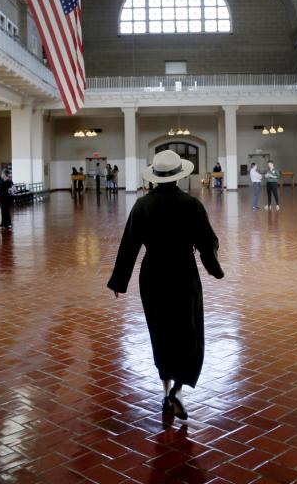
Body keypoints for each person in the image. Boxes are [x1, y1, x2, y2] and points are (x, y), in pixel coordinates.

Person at [107, 150, 224, 421]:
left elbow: (129, 245)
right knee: (188, 331)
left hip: (153, 275)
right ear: (179, 175)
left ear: (155, 177)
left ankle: (165, 391)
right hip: (184, 273)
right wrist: (214, 269)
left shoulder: (142, 206)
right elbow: (208, 241)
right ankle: (179, 392)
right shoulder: (191, 205)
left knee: (160, 332)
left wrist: (119, 281)